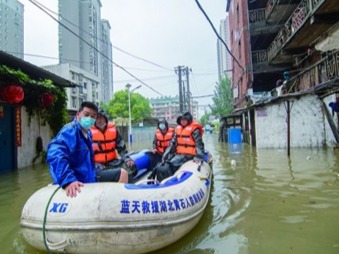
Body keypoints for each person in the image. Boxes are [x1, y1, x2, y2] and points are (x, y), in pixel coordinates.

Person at [47, 101, 100, 198]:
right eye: (86, 114)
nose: (89, 118)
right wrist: (68, 180)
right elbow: (55, 153)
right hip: (75, 183)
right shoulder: (70, 130)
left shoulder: (88, 134)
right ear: (78, 114)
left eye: (93, 116)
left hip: (87, 181)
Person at [153, 111, 205, 182]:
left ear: (188, 120)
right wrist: (165, 155)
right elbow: (172, 143)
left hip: (191, 156)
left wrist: (198, 157)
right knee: (167, 165)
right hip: (180, 155)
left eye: (184, 119)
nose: (182, 121)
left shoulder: (194, 130)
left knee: (172, 164)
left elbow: (199, 144)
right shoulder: (178, 129)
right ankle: (165, 182)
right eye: (181, 119)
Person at [90, 108, 134, 182]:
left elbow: (122, 148)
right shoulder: (89, 132)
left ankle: (127, 187)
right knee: (98, 173)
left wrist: (127, 159)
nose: (99, 120)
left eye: (101, 118)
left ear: (105, 118)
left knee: (131, 167)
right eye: (97, 118)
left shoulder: (113, 130)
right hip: (97, 164)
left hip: (113, 162)